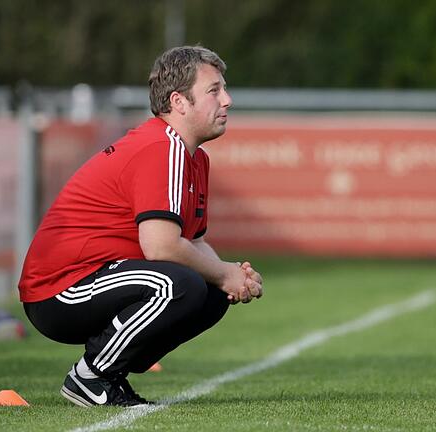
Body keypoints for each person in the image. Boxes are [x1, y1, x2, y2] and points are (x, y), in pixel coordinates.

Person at [18, 46, 263, 407]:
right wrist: (222, 272)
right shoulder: (161, 148)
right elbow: (161, 247)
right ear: (179, 102)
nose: (227, 100)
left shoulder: (193, 157)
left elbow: (194, 243)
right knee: (178, 285)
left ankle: (111, 373)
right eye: (214, 90)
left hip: (96, 279)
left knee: (210, 292)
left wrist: (232, 276)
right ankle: (91, 376)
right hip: (58, 289)